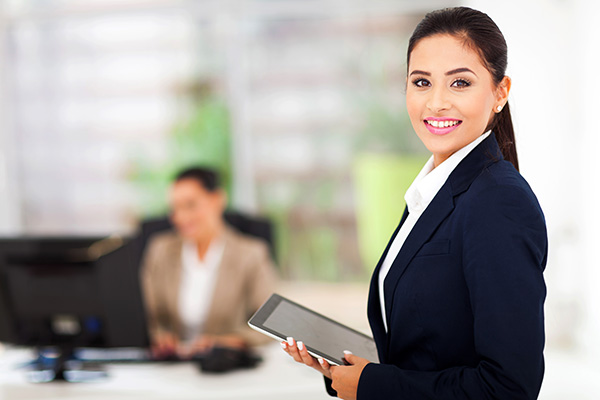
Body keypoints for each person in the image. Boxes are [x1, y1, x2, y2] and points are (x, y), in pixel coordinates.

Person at [282, 7, 547, 400]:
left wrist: (372, 385)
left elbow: (508, 387)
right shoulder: (434, 191)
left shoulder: (499, 201)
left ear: (500, 93)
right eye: (421, 82)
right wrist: (352, 371)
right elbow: (428, 345)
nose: (436, 103)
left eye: (460, 83)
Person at [141, 167, 277, 359]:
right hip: (172, 367)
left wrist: (230, 342)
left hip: (224, 369)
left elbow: (270, 323)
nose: (180, 217)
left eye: (190, 205)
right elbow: (149, 315)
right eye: (175, 208)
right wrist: (160, 336)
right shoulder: (160, 251)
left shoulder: (251, 254)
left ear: (218, 200)